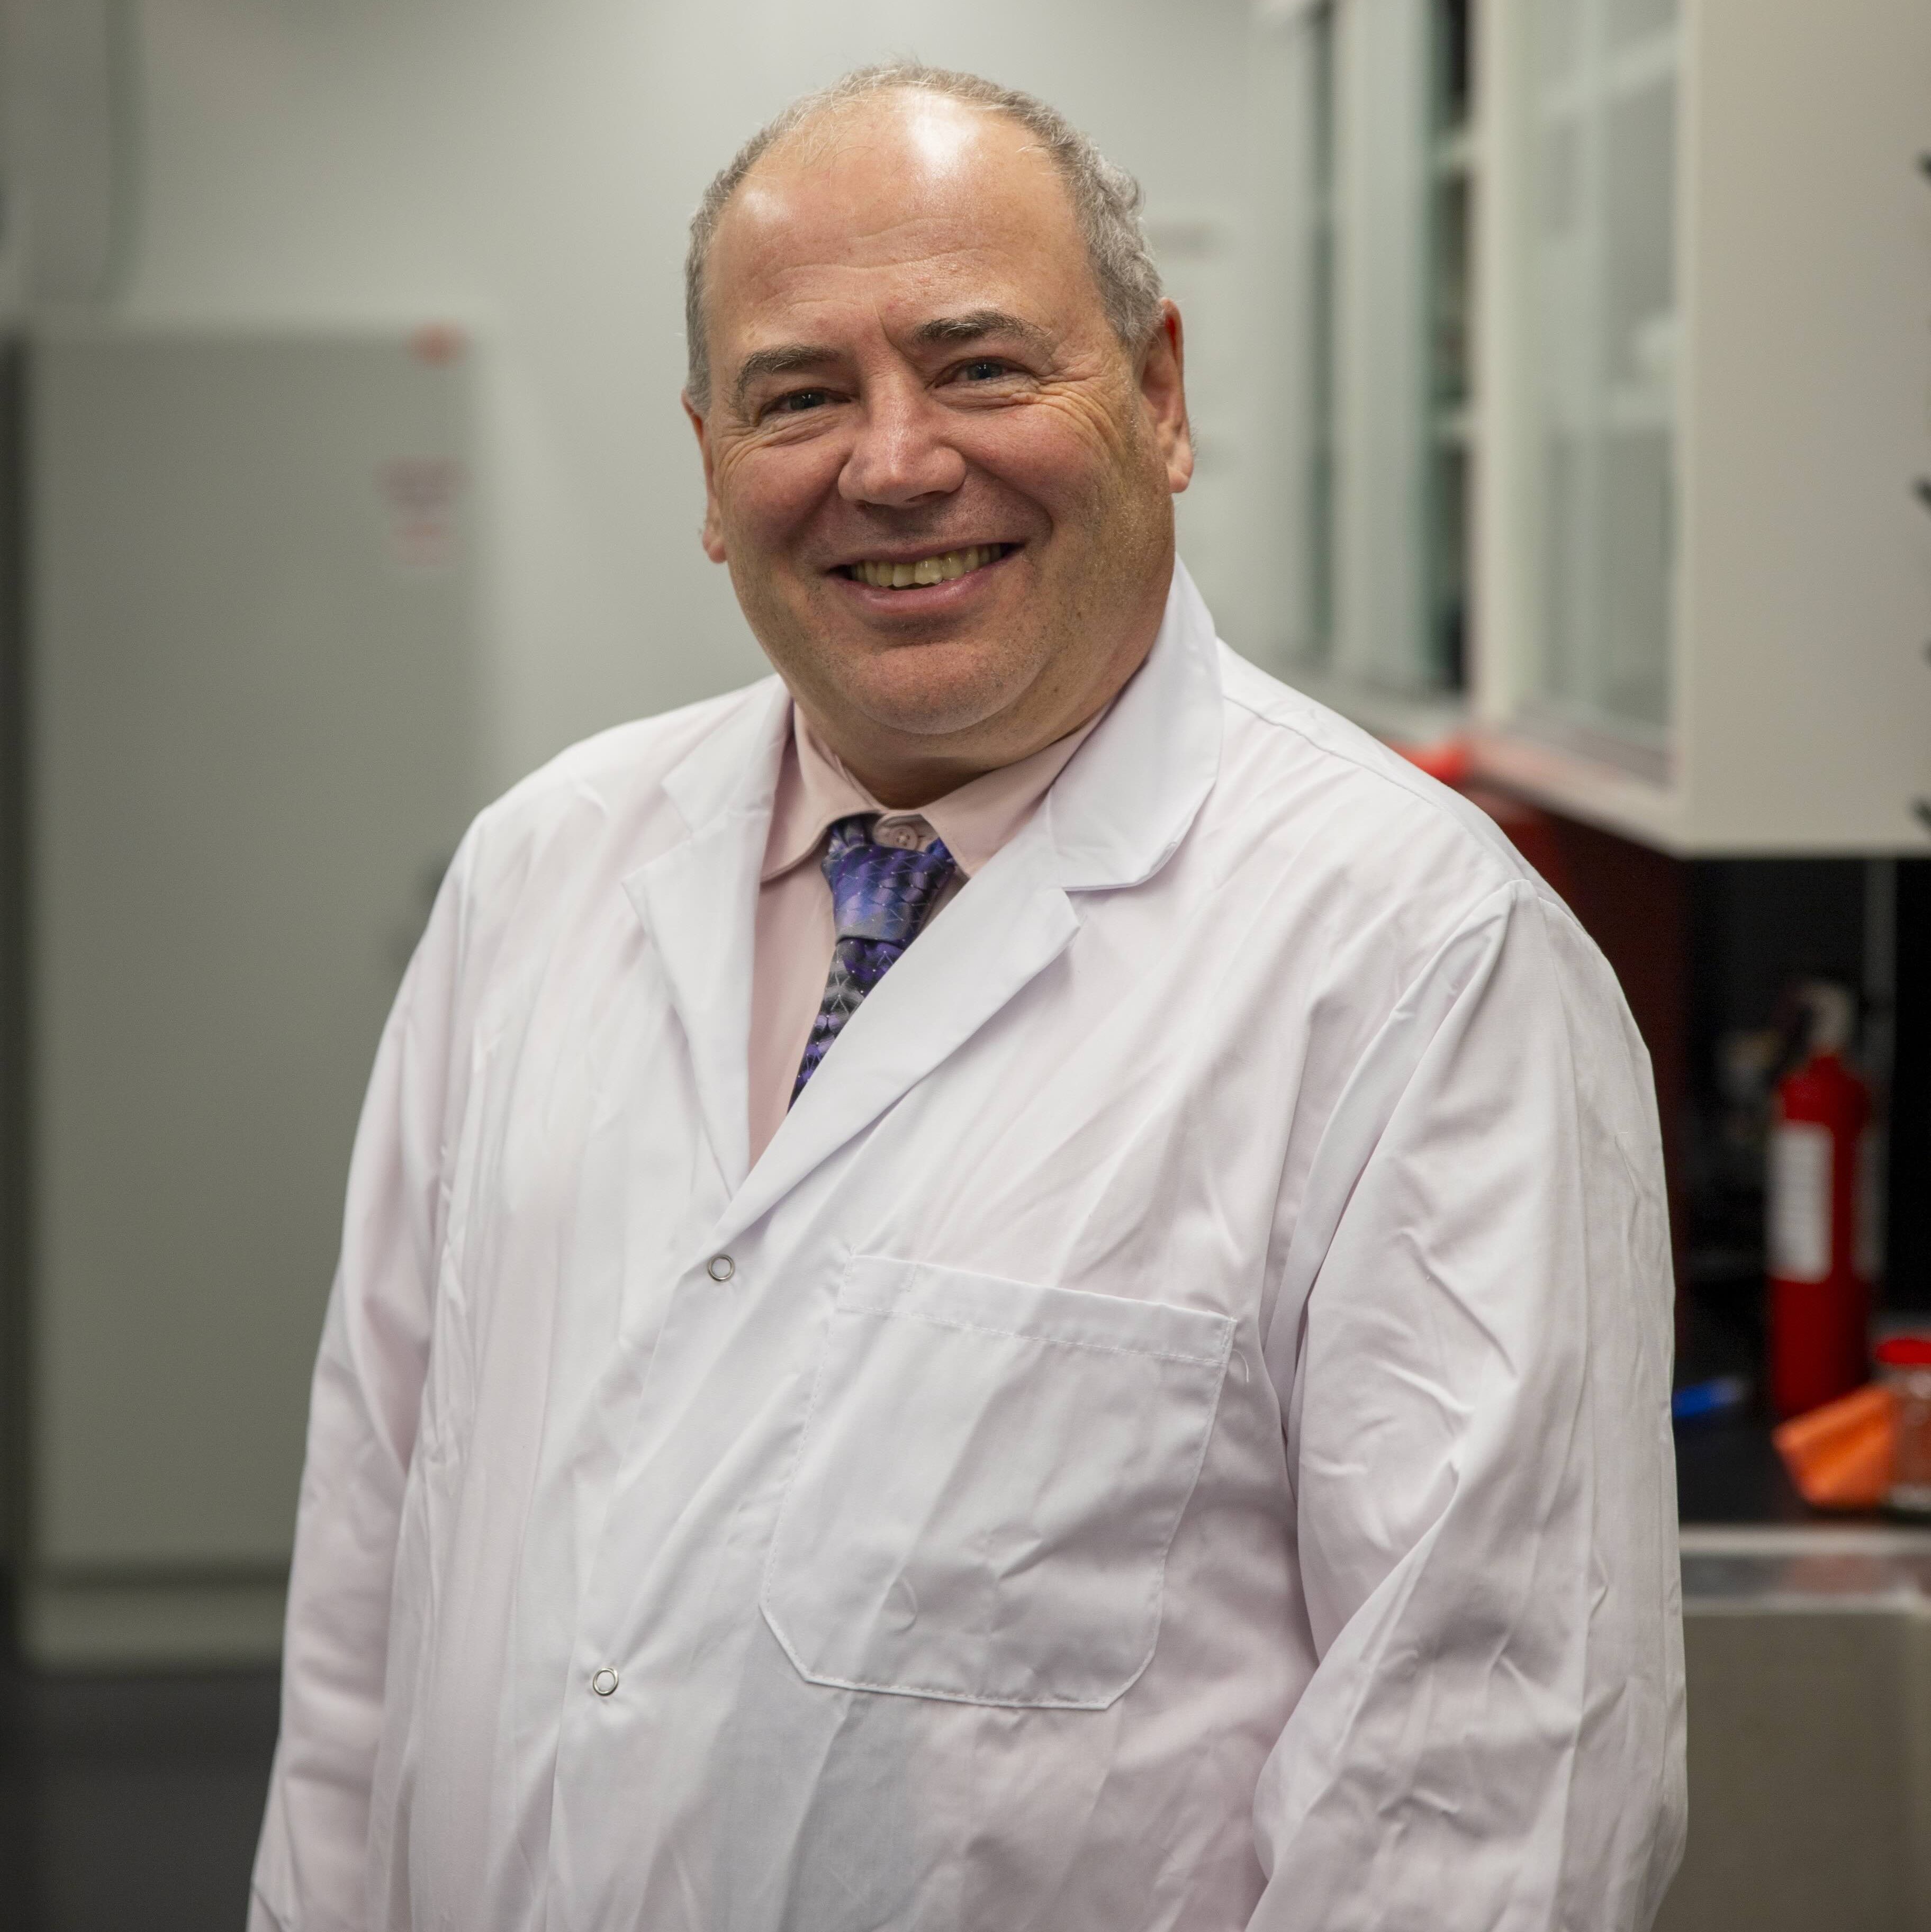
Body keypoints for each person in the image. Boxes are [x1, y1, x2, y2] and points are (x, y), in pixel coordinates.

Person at [250, 62, 1685, 1932]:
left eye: (984, 364)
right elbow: (371, 1594)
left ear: (1161, 397)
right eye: (799, 394)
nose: (897, 462)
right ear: (706, 468)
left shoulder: (1417, 963)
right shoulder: (538, 876)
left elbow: (1488, 1804)